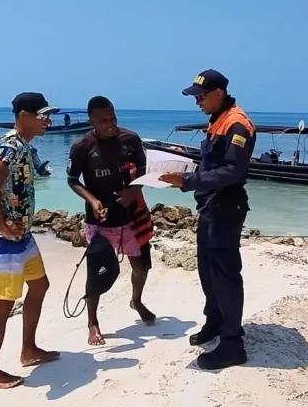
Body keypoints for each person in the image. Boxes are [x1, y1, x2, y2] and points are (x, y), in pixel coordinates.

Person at [159, 69, 256, 370]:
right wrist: (185, 160)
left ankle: (232, 344)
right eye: (195, 97)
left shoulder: (237, 124)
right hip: (210, 206)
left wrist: (186, 180)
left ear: (219, 93)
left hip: (226, 207)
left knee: (225, 275)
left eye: (201, 96)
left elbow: (232, 172)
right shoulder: (217, 119)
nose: (197, 102)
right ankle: (214, 321)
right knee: (207, 271)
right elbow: (213, 162)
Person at [0, 92, 61, 389]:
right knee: (2, 303)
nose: (48, 121)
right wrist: (2, 225)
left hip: (21, 237)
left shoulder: (23, 145)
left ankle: (28, 349)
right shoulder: (11, 145)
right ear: (24, 116)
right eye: (43, 116)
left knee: (40, 285)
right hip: (3, 242)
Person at [66, 96, 156, 345]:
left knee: (142, 267)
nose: (110, 124)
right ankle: (92, 323)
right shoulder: (82, 146)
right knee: (96, 274)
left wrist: (133, 192)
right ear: (91, 120)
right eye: (103, 120)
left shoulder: (131, 140)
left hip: (132, 217)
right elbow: (72, 180)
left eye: (113, 118)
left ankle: (136, 301)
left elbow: (143, 172)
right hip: (100, 221)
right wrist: (93, 201)